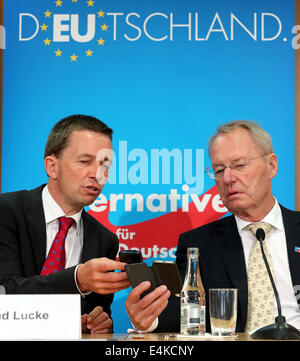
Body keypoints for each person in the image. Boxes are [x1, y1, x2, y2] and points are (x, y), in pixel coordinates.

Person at [126, 120, 300, 333]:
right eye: (219, 170)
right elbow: (179, 311)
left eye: (239, 165)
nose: (228, 178)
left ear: (271, 166)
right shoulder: (199, 245)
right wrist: (147, 318)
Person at [0, 114, 130, 334]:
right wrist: (77, 278)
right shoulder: (6, 212)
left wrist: (100, 324)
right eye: (85, 161)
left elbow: (96, 319)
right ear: (52, 167)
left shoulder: (105, 240)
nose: (98, 174)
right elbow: (5, 292)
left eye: (104, 165)